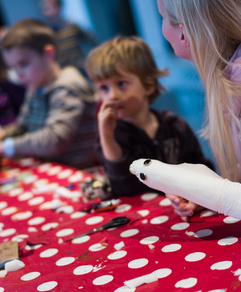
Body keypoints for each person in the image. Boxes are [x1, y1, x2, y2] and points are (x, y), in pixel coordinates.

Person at [132, 0, 241, 225]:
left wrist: (218, 193)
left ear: (183, 33)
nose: (162, 28)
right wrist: (203, 192)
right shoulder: (237, 83)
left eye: (162, 17)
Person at [85, 35, 213, 197]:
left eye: (121, 84)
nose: (112, 96)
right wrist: (108, 139)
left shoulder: (174, 126)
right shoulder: (110, 138)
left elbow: (203, 171)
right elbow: (124, 188)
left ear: (148, 86)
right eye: (104, 88)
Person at [0, 18, 98, 170]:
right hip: (52, 167)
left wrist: (5, 146)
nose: (19, 75)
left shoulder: (67, 86)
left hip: (81, 170)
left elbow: (54, 141)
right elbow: (23, 125)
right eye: (13, 68)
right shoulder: (35, 87)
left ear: (48, 54)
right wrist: (3, 135)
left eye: (23, 64)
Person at [40, 0, 95, 73]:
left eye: (48, 8)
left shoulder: (72, 26)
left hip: (80, 70)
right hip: (63, 73)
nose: (46, 12)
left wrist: (90, 61)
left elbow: (91, 41)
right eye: (44, 9)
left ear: (59, 7)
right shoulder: (46, 33)